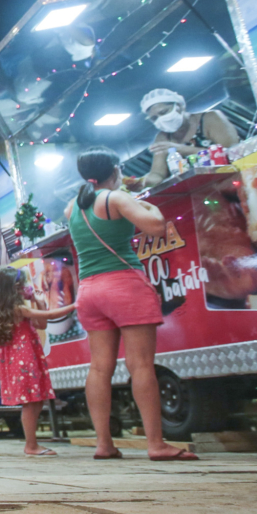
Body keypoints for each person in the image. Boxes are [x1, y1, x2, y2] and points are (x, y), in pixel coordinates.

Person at [66, 147, 197, 461]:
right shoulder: (116, 198)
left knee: (99, 368)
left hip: (89, 291)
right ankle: (156, 444)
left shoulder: (72, 206)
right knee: (140, 365)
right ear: (114, 170)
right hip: (123, 285)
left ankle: (104, 444)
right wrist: (147, 204)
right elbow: (155, 226)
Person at [0, 266, 76, 457]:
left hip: (28, 357)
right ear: (14, 288)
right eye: (22, 285)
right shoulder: (18, 309)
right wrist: (76, 305)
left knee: (36, 401)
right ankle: (31, 445)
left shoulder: (16, 308)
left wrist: (36, 300)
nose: (27, 287)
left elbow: (42, 324)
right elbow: (50, 316)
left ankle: (32, 443)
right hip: (24, 360)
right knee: (31, 402)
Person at [140, 88, 239, 187]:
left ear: (179, 106)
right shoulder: (163, 137)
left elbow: (232, 152)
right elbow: (157, 174)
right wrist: (141, 182)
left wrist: (183, 149)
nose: (161, 119)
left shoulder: (210, 118)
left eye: (164, 112)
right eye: (154, 118)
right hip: (203, 188)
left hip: (234, 177)